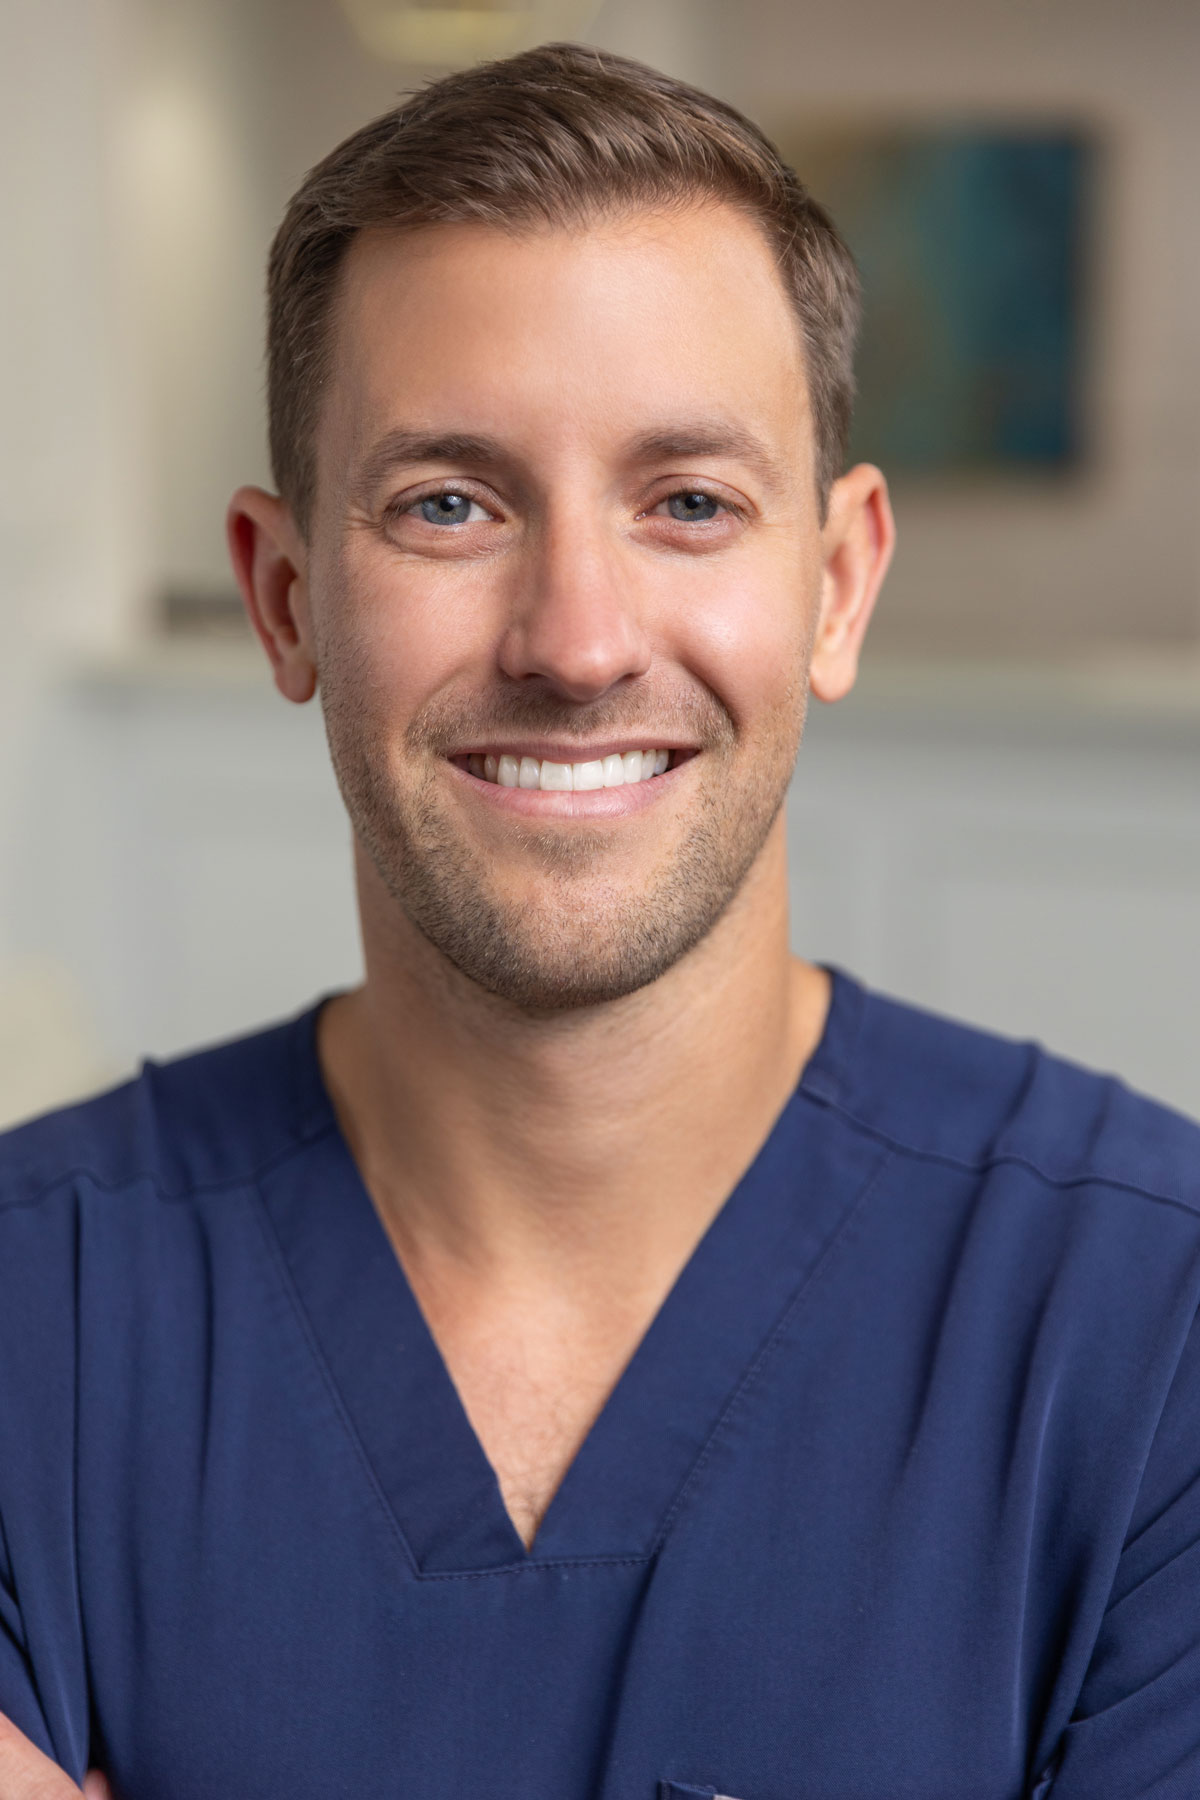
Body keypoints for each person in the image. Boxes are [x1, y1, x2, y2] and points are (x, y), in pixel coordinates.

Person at [2, 41, 1199, 1800]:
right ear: (282, 597)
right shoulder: (36, 1311)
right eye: (450, 504)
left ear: (838, 585)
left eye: (690, 504)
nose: (574, 640)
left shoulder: (1148, 1331)